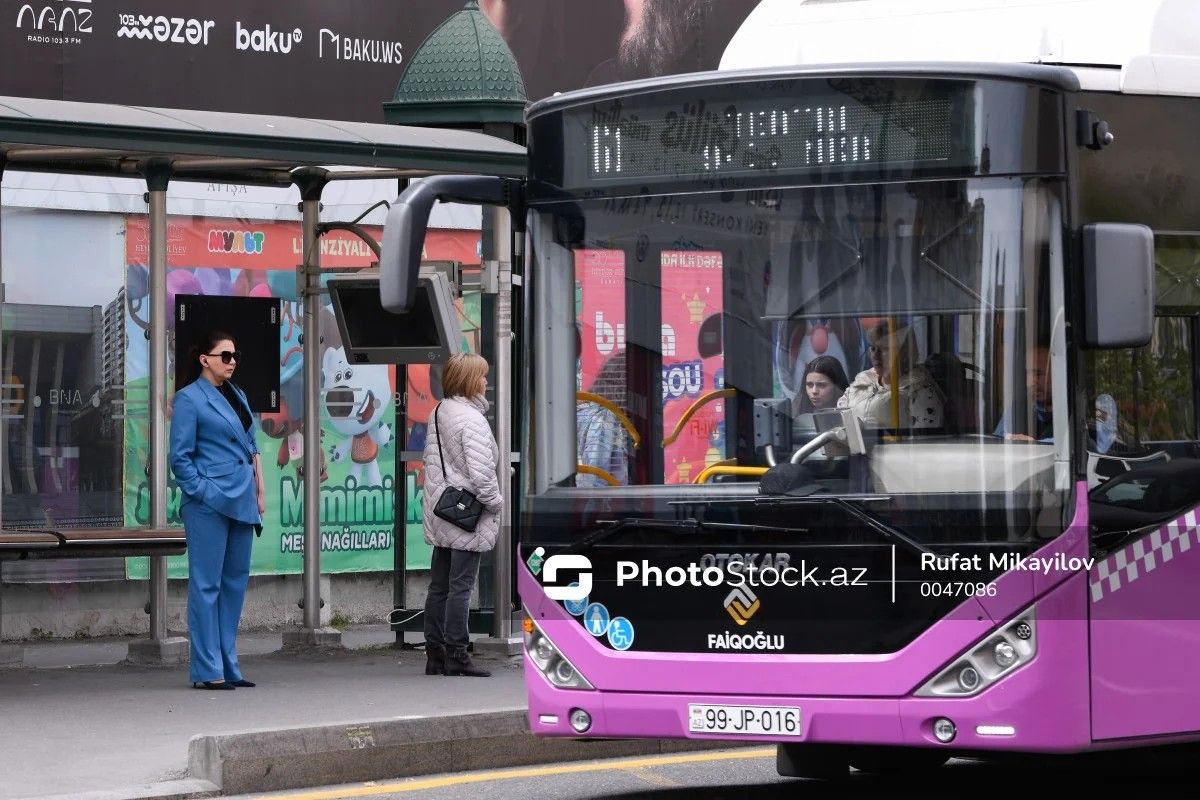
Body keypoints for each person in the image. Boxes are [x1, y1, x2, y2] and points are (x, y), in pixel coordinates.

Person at [169, 331, 264, 690]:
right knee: (206, 586)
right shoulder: (189, 399)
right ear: (203, 359)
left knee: (234, 585)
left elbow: (251, 444)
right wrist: (204, 491)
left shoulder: (237, 394)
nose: (232, 360)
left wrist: (258, 489)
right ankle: (207, 670)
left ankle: (229, 664)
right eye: (224, 355)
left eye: (235, 354)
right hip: (210, 503)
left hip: (242, 499)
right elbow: (179, 457)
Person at [422, 353, 502, 678]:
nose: (485, 382)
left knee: (439, 586)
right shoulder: (471, 420)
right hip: (466, 514)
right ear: (469, 381)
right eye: (481, 376)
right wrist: (496, 503)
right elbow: (482, 475)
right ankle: (458, 654)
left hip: (442, 508)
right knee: (461, 587)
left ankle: (435, 655)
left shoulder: (439, 411)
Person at [838, 321, 943, 429]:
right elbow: (840, 410)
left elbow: (925, 439)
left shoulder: (920, 390)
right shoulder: (864, 379)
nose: (875, 355)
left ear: (904, 353)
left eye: (885, 349)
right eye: (873, 348)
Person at [994, 344, 1053, 442]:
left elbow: (1077, 447)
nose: (1031, 382)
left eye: (1038, 374)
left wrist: (1037, 445)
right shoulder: (1017, 410)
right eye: (1028, 374)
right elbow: (997, 441)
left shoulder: (1071, 413)